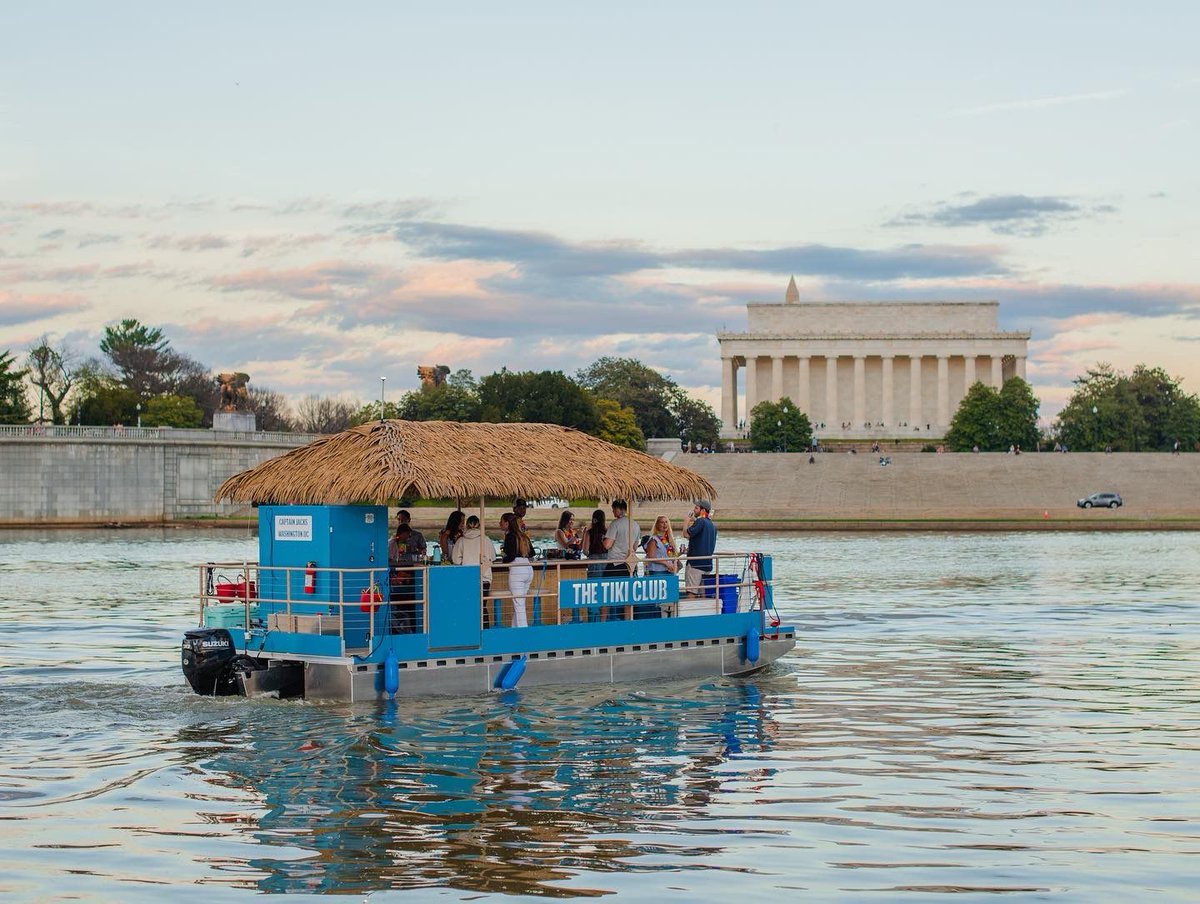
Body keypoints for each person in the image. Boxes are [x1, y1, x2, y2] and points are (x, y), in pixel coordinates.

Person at [452, 514, 495, 628]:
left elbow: (456, 560)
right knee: (482, 607)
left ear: (466, 525)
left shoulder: (461, 540)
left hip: (466, 578)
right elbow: (492, 557)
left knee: (468, 606)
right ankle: (485, 633)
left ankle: (469, 630)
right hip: (484, 578)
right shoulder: (486, 539)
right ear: (479, 525)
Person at [602, 499, 640, 621]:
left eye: (614, 509)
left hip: (615, 564)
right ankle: (628, 622)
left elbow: (607, 545)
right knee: (627, 598)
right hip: (629, 565)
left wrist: (603, 539)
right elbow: (634, 547)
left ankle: (603, 623)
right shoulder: (635, 524)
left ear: (620, 509)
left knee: (606, 596)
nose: (613, 512)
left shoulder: (615, 524)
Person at [500, 512, 532, 628]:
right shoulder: (523, 535)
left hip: (517, 570)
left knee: (519, 605)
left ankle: (523, 634)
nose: (499, 524)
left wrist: (503, 558)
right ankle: (515, 630)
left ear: (507, 523)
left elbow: (511, 556)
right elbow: (532, 553)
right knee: (520, 603)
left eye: (501, 521)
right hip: (528, 567)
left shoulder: (510, 536)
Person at [388, 522, 421, 633]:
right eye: (407, 535)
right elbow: (390, 560)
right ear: (402, 533)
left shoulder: (396, 543)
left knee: (408, 575)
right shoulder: (392, 543)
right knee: (407, 575)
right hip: (392, 572)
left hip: (395, 571)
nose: (408, 537)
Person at [683, 499, 717, 599]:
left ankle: (690, 614)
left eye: (696, 508)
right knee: (703, 594)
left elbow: (686, 534)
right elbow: (699, 538)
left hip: (695, 564)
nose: (694, 510)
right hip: (707, 564)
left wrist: (686, 521)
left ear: (702, 510)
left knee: (691, 592)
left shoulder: (700, 521)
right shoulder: (712, 525)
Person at [581, 509, 607, 579]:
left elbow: (585, 551)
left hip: (593, 560)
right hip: (607, 560)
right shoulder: (607, 531)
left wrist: (590, 555)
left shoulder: (589, 532)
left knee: (594, 585)